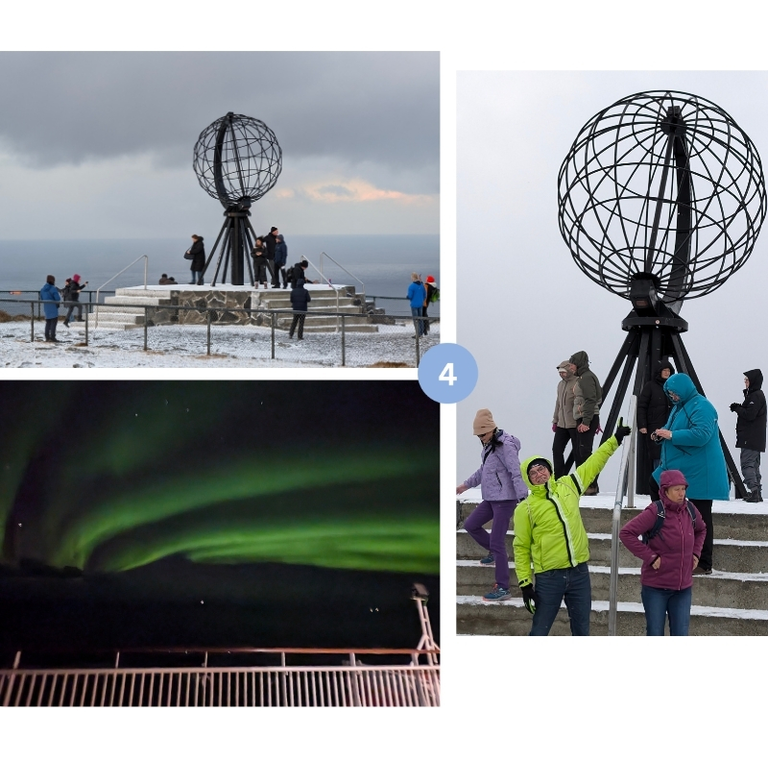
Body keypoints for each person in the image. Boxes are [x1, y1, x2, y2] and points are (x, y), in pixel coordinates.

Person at [513, 418, 630, 635]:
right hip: (549, 577)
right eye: (533, 473)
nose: (539, 475)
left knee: (582, 629)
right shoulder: (525, 509)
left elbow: (594, 463)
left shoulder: (569, 485)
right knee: (539, 630)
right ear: (528, 479)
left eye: (542, 469)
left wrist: (615, 439)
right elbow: (520, 547)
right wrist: (525, 584)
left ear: (549, 469)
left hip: (579, 573)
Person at [652, 372, 729, 575]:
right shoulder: (679, 408)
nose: (673, 397)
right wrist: (661, 435)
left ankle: (704, 562)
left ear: (684, 389)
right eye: (670, 393)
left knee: (701, 516)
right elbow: (669, 430)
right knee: (655, 486)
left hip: (702, 472)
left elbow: (702, 434)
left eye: (675, 393)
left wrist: (672, 435)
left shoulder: (702, 406)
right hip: (684, 470)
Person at [619, 469, 706, 636]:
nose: (682, 493)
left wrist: (696, 553)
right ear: (665, 491)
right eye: (676, 489)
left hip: (683, 588)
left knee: (680, 634)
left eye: (683, 489)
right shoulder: (655, 511)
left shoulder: (690, 510)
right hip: (656, 588)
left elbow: (701, 529)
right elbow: (626, 533)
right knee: (655, 633)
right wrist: (650, 557)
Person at [456, 409, 528, 602]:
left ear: (491, 429)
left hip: (505, 500)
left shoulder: (506, 446)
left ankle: (503, 587)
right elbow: (483, 470)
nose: (481, 438)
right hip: (491, 498)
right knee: (471, 525)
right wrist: (465, 485)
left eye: (483, 434)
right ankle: (495, 553)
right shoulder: (489, 446)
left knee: (497, 543)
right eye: (478, 435)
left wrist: (523, 498)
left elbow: (515, 471)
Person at [730, 369, 767, 503]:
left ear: (753, 381)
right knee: (754, 464)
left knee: (747, 464)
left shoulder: (755, 396)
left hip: (750, 438)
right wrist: (740, 407)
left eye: (747, 380)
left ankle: (754, 492)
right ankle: (757, 492)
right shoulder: (756, 395)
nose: (745, 382)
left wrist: (737, 408)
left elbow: (750, 415)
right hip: (755, 438)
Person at [569, 351, 603, 495]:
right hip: (584, 417)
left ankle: (591, 485)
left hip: (586, 418)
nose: (570, 367)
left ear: (578, 364)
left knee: (585, 452)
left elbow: (591, 399)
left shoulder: (586, 378)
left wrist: (587, 422)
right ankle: (586, 484)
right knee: (581, 451)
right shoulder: (583, 377)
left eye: (572, 364)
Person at [637, 358, 675, 473]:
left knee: (671, 456)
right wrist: (642, 425)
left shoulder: (672, 387)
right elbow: (642, 406)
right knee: (658, 457)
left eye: (669, 370)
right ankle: (659, 485)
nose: (667, 373)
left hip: (671, 427)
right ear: (659, 371)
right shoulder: (650, 386)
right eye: (665, 370)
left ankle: (668, 487)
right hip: (655, 426)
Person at [551, 359, 579, 478]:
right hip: (562, 424)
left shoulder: (578, 382)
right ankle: (559, 477)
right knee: (556, 449)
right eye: (560, 372)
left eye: (563, 372)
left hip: (574, 424)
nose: (561, 374)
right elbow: (558, 403)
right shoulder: (560, 384)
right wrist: (555, 420)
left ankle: (579, 477)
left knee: (578, 452)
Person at [39, 274, 61, 342]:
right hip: (53, 307)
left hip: (46, 308)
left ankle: (47, 336)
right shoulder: (53, 289)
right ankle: (52, 337)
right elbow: (57, 298)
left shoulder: (42, 289)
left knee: (48, 322)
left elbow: (41, 298)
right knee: (53, 323)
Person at [407, 272, 427, 338]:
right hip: (420, 304)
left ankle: (417, 333)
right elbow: (424, 295)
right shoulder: (421, 285)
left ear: (413, 278)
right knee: (420, 319)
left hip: (414, 305)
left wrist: (408, 297)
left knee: (416, 320)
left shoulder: (411, 286)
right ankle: (421, 333)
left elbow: (410, 296)